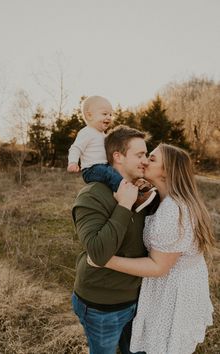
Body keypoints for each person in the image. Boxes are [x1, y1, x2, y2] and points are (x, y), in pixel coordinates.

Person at [88, 143, 214, 354]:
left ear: (167, 171)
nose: (145, 160)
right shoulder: (165, 199)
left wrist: (105, 260)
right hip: (181, 284)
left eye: (152, 159)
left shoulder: (172, 210)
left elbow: (158, 267)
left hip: (173, 293)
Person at [71, 125, 155, 354]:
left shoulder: (144, 192)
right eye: (139, 155)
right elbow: (98, 253)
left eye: (146, 155)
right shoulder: (92, 195)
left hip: (138, 299)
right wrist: (124, 205)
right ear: (117, 156)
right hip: (102, 307)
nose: (145, 161)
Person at [67, 95, 156, 212]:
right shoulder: (86, 132)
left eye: (110, 114)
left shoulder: (103, 135)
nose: (109, 117)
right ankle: (136, 198)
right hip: (91, 169)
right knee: (111, 175)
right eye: (104, 114)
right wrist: (73, 162)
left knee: (116, 174)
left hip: (103, 166)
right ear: (89, 115)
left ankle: (137, 187)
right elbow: (75, 148)